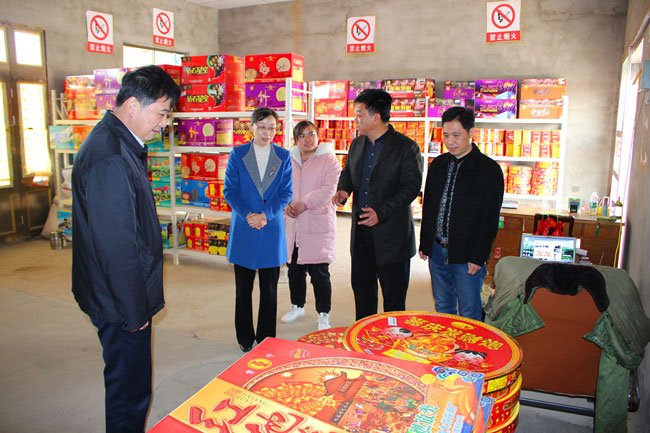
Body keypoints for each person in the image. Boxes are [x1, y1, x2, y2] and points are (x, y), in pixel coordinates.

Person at [71, 65, 180, 433]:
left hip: (115, 294)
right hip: (119, 301)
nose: (164, 124)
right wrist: (135, 313)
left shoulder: (119, 143)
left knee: (129, 384)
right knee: (129, 391)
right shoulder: (111, 156)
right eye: (161, 113)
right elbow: (117, 246)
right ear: (133, 105)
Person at [333, 89, 423, 320]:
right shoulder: (357, 144)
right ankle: (363, 337)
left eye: (359, 114)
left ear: (376, 117)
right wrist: (344, 189)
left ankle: (391, 339)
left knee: (393, 299)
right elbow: (348, 172)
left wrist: (380, 213)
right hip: (361, 233)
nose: (355, 119)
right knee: (363, 293)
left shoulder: (406, 147)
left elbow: (411, 187)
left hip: (392, 235)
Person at [418, 106, 504, 321]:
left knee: (469, 311)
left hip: (466, 255)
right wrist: (425, 243)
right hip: (437, 250)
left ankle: (469, 345)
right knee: (443, 305)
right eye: (446, 135)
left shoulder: (489, 170)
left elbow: (489, 219)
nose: (450, 141)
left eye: (456, 135)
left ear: (471, 133)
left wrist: (479, 256)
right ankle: (446, 342)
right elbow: (429, 207)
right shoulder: (438, 165)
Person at [224, 107, 293, 352]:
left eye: (272, 128)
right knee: (243, 289)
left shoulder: (283, 156)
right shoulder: (238, 153)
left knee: (270, 290)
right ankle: (244, 337)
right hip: (245, 227)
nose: (267, 133)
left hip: (270, 227)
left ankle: (266, 338)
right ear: (252, 126)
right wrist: (248, 215)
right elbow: (230, 191)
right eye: (262, 127)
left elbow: (286, 193)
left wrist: (266, 215)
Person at [281, 120, 341, 330]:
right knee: (294, 270)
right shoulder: (288, 160)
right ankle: (297, 306)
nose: (307, 139)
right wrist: (286, 205)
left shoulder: (329, 159)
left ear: (318, 136)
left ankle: (323, 314)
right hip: (294, 223)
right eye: (302, 135)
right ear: (295, 140)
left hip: (316, 223)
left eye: (311, 134)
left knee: (319, 273)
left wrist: (304, 204)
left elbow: (330, 189)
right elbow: (281, 186)